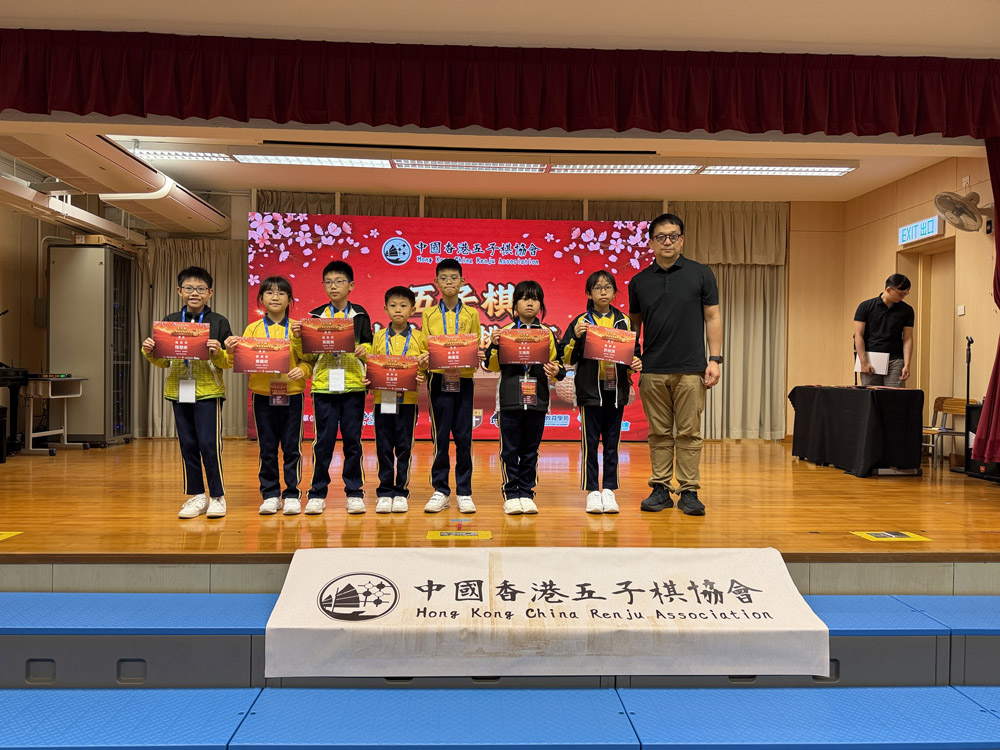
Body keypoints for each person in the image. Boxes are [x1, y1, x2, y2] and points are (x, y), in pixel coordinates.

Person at [628, 213, 721, 517]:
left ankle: (689, 490)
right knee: (659, 433)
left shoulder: (701, 274)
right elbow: (634, 324)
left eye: (672, 236)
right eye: (660, 237)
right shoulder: (639, 281)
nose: (667, 242)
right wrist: (632, 356)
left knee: (689, 433)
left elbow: (712, 316)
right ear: (651, 242)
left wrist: (715, 359)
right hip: (652, 370)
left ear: (682, 239)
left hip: (691, 368)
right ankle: (660, 488)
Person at [141, 266, 233, 519]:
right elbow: (163, 361)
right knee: (188, 445)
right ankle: (197, 495)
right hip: (179, 390)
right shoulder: (170, 320)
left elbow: (229, 361)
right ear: (179, 291)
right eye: (189, 288)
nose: (195, 293)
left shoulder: (219, 321)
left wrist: (218, 352)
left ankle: (217, 496)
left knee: (209, 445)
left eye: (201, 288)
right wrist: (149, 351)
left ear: (210, 292)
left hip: (209, 391)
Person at [225, 276, 311, 516]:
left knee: (292, 447)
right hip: (263, 395)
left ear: (290, 300)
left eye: (281, 293)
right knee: (267, 448)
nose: (275, 297)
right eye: (270, 292)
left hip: (292, 394)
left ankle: (292, 494)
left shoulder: (297, 329)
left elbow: (309, 360)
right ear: (261, 298)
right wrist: (232, 351)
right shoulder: (252, 329)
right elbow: (241, 360)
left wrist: (302, 370)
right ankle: (271, 495)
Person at [561, 270, 642, 514]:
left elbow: (634, 353)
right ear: (589, 293)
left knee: (612, 442)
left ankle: (609, 489)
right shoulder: (580, 322)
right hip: (589, 391)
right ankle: (591, 491)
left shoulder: (624, 321)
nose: (603, 292)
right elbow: (566, 356)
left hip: (615, 390)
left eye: (608, 287)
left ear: (615, 292)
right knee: (590, 443)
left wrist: (636, 362)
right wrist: (576, 338)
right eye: (597, 288)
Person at [485, 280, 566, 515]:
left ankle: (527, 493)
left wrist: (556, 370)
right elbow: (491, 366)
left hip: (537, 399)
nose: (530, 303)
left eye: (535, 298)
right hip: (510, 400)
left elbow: (559, 367)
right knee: (510, 450)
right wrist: (494, 345)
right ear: (515, 304)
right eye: (524, 298)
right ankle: (511, 494)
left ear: (541, 304)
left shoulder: (547, 334)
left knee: (531, 450)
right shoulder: (505, 333)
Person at [301, 260, 373, 515]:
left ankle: (354, 492)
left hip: (353, 386)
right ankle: (317, 493)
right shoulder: (315, 317)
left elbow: (370, 347)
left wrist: (366, 350)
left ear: (350, 285)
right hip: (324, 387)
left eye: (339, 281)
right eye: (328, 282)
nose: (333, 286)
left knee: (353, 442)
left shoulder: (360, 315)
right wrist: (300, 338)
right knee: (323, 442)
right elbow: (308, 356)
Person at [421, 259, 482, 514]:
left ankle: (464, 492)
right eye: (443, 278)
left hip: (463, 379)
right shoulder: (428, 315)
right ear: (436, 283)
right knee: (441, 436)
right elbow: (424, 347)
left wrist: (476, 354)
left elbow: (476, 344)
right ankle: (441, 490)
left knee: (464, 436)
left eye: (453, 277)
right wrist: (424, 360)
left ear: (462, 282)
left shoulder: (471, 314)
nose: (448, 282)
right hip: (438, 379)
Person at [360, 286, 428, 514]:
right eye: (393, 305)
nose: (398, 310)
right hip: (383, 399)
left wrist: (422, 374)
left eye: (403, 305)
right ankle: (384, 491)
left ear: (413, 310)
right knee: (383, 445)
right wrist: (368, 378)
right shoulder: (378, 336)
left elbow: (424, 366)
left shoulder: (419, 337)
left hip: (408, 401)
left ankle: (401, 491)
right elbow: (372, 366)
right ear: (385, 309)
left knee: (404, 446)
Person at [853, 274, 914, 387]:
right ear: (889, 289)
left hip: (895, 359)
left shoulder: (907, 310)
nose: (903, 297)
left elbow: (908, 338)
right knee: (872, 394)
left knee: (894, 395)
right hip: (871, 357)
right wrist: (863, 361)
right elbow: (858, 335)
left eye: (905, 294)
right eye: (900, 294)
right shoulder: (865, 306)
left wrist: (907, 364)